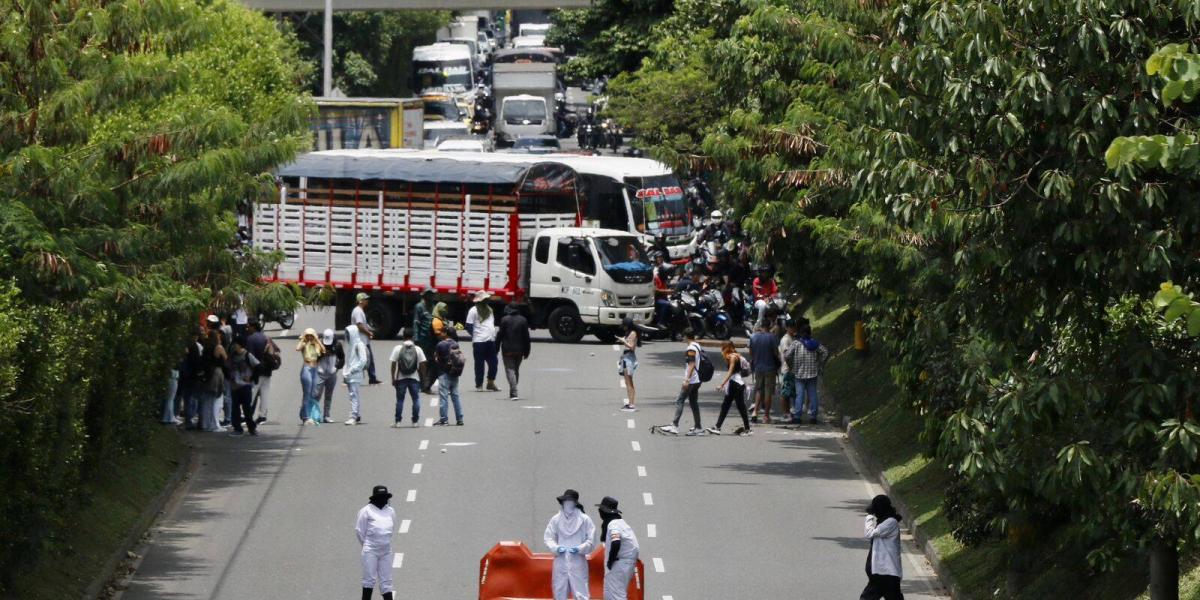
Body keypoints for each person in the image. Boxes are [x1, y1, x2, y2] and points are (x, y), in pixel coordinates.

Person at [543, 489, 595, 600]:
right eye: (566, 500)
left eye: (570, 501)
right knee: (559, 593)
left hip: (578, 562)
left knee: (581, 595)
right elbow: (548, 537)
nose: (568, 503)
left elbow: (591, 541)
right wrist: (556, 548)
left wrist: (580, 548)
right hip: (561, 562)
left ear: (575, 502)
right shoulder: (556, 519)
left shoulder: (585, 520)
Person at [356, 485, 397, 600]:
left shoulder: (390, 511)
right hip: (370, 550)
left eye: (385, 497)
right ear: (374, 498)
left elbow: (392, 528)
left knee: (387, 581)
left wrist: (384, 542)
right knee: (369, 581)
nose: (383, 500)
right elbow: (360, 531)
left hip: (386, 551)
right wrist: (369, 545)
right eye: (381, 497)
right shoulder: (366, 511)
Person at [861, 494, 904, 600]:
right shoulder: (885, 522)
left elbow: (869, 533)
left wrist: (869, 516)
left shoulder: (890, 522)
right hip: (883, 573)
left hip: (885, 573)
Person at [785, 324, 830, 424]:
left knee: (799, 395)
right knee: (813, 394)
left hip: (799, 374)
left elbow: (787, 355)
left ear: (801, 333)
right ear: (810, 333)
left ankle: (797, 417)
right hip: (812, 373)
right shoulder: (815, 344)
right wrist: (819, 363)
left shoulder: (796, 343)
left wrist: (791, 365)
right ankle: (813, 417)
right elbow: (825, 352)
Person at [660, 334, 704, 435]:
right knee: (693, 403)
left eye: (683, 336)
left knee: (679, 401)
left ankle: (674, 425)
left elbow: (692, 364)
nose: (682, 338)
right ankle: (698, 427)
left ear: (687, 337)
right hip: (696, 380)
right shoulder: (697, 345)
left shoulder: (691, 348)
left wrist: (687, 379)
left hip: (692, 380)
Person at [596, 497, 639, 600]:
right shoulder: (621, 523)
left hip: (618, 564)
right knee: (609, 594)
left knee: (616, 595)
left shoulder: (613, 524)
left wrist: (610, 561)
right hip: (625, 563)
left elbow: (616, 543)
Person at [706, 341, 752, 436]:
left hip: (736, 383)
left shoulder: (732, 357)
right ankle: (717, 427)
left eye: (723, 347)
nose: (721, 349)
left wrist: (722, 384)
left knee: (740, 407)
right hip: (736, 383)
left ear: (726, 348)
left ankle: (748, 429)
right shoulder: (736, 355)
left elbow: (730, 372)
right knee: (726, 405)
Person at [389, 328, 426, 428]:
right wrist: (423, 378)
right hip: (414, 378)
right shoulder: (418, 349)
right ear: (413, 337)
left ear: (403, 336)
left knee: (400, 400)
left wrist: (393, 378)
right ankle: (415, 421)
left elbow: (393, 364)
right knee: (416, 399)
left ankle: (398, 422)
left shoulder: (397, 348)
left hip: (401, 378)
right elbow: (422, 364)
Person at [465, 291, 500, 392]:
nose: (487, 301)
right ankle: (479, 384)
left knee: (494, 362)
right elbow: (468, 326)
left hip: (490, 340)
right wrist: (475, 335)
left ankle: (490, 382)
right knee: (479, 365)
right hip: (479, 342)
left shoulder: (490, 310)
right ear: (480, 300)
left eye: (487, 299)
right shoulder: (473, 310)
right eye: (485, 299)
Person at [495, 303, 531, 400]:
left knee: (510, 370)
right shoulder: (523, 320)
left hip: (507, 350)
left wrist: (496, 348)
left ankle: (514, 392)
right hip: (520, 350)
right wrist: (527, 351)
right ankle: (513, 390)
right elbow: (526, 337)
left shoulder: (504, 320)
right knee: (516, 370)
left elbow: (499, 335)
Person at [748, 323, 781, 424]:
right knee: (768, 392)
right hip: (770, 368)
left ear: (760, 327)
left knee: (758, 390)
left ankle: (755, 412)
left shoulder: (753, 337)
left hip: (758, 367)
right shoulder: (772, 337)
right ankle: (766, 416)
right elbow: (776, 352)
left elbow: (750, 352)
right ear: (769, 327)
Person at [226, 339, 260, 436]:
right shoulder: (232, 356)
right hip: (234, 386)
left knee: (247, 409)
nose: (234, 346)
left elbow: (258, 366)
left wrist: (252, 378)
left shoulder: (247, 355)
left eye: (235, 344)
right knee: (235, 409)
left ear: (240, 345)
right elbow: (226, 366)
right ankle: (237, 428)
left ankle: (252, 429)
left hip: (245, 386)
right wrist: (229, 377)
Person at [244, 318, 274, 424]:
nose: (247, 328)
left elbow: (249, 356)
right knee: (265, 394)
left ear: (253, 327)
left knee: (251, 394)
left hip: (257, 371)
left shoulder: (251, 339)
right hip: (268, 369)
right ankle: (262, 416)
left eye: (248, 326)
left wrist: (248, 372)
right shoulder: (266, 337)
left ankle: (246, 416)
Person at [433, 325, 464, 426]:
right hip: (454, 373)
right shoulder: (455, 344)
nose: (440, 334)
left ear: (445, 333)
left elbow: (437, 358)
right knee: (455, 396)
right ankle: (459, 419)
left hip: (443, 373)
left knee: (444, 397)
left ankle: (444, 419)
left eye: (442, 332)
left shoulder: (440, 344)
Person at [198, 325, 227, 432]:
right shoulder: (218, 347)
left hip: (208, 374)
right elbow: (226, 360)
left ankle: (205, 424)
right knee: (216, 400)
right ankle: (214, 424)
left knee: (206, 401)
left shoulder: (206, 347)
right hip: (217, 373)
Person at [294, 328, 324, 425]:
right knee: (306, 393)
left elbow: (323, 350)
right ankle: (306, 417)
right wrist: (303, 339)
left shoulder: (316, 345)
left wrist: (317, 339)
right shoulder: (304, 344)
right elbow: (297, 348)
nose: (310, 337)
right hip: (307, 368)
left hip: (315, 369)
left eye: (311, 335)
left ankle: (306, 413)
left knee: (312, 393)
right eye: (308, 335)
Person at [352, 293, 382, 385]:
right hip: (360, 340)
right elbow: (359, 325)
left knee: (368, 359)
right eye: (365, 299)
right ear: (361, 301)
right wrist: (368, 333)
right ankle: (351, 377)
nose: (367, 301)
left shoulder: (360, 311)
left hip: (363, 340)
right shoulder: (358, 311)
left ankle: (372, 378)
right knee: (362, 359)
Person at [314, 328, 344, 424]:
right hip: (320, 373)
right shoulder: (318, 344)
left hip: (332, 374)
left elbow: (342, 358)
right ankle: (315, 415)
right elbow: (313, 358)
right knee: (316, 395)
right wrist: (322, 354)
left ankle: (326, 415)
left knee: (328, 396)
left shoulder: (338, 345)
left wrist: (337, 368)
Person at [344, 324, 370, 425]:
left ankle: (354, 416)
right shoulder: (352, 344)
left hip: (355, 374)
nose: (347, 336)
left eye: (348, 334)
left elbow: (363, 360)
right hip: (351, 374)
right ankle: (356, 414)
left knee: (353, 395)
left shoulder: (359, 344)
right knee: (353, 395)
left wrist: (353, 370)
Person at [413, 289, 437, 393]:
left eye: (433, 294)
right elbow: (416, 322)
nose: (432, 297)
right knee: (423, 362)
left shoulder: (432, 305)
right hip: (422, 338)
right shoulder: (419, 306)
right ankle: (423, 384)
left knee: (431, 361)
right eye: (430, 294)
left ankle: (426, 383)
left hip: (432, 338)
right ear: (425, 295)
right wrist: (416, 337)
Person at [778, 323, 797, 423]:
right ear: (787, 328)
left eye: (794, 326)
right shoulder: (786, 339)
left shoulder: (792, 338)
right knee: (785, 393)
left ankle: (789, 413)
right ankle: (786, 414)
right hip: (787, 369)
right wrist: (790, 367)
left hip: (790, 369)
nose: (793, 328)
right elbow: (786, 355)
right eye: (791, 327)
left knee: (790, 393)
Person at [618, 318, 638, 411]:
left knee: (629, 382)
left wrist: (623, 341)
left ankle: (631, 404)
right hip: (626, 358)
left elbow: (632, 347)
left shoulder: (633, 333)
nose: (624, 328)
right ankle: (630, 403)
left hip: (629, 359)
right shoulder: (630, 333)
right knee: (627, 382)